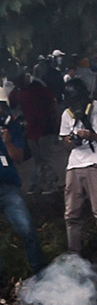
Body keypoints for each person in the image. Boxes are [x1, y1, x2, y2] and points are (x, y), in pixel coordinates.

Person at [59, 77, 97, 275]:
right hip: (74, 165)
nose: (76, 104)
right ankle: (74, 257)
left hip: (96, 162)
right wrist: (72, 140)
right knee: (71, 214)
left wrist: (92, 136)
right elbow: (64, 141)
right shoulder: (67, 115)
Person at [0, 90, 46, 279]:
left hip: (9, 188)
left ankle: (41, 276)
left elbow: (18, 158)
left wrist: (8, 142)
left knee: (27, 229)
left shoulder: (12, 128)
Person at [8, 70, 58, 193]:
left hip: (46, 129)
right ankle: (41, 183)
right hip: (31, 131)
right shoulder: (17, 91)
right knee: (38, 160)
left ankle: (50, 185)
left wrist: (56, 126)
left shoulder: (38, 87)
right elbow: (11, 103)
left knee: (47, 158)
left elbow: (53, 105)